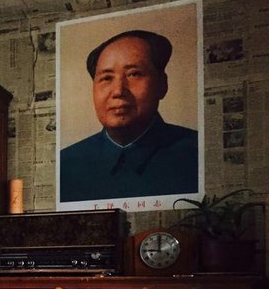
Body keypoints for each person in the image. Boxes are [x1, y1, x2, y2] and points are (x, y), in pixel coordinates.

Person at [60, 29, 198, 203]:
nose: (118, 91)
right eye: (106, 78)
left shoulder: (195, 152)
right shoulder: (66, 163)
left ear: (162, 85)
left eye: (134, 74)